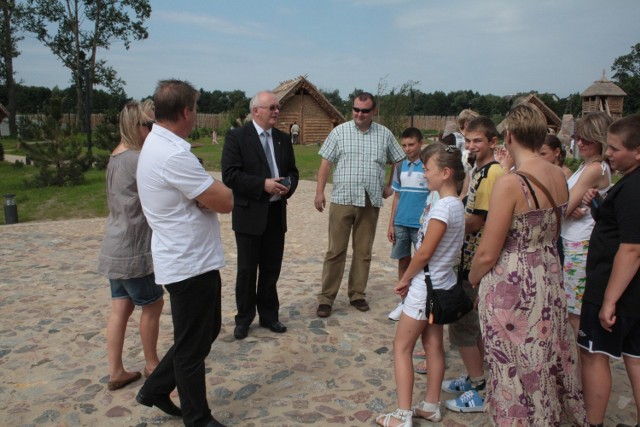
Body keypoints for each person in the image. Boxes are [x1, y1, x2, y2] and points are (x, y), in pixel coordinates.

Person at [468, 103, 587, 426]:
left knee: (511, 366)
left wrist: (474, 279)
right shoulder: (559, 175)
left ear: (508, 136)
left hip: (513, 284)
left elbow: (488, 252)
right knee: (544, 356)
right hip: (548, 274)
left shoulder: (511, 184)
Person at [136, 79, 233, 427]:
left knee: (205, 330)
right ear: (187, 111)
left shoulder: (158, 144)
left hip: (187, 257)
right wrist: (207, 195)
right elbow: (225, 201)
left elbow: (208, 197)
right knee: (192, 346)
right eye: (195, 108)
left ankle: (155, 389)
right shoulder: (174, 155)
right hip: (188, 261)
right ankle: (197, 417)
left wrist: (201, 196)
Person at [376, 144, 466, 427]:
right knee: (433, 344)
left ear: (445, 172)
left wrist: (404, 279)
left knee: (401, 346)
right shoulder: (456, 206)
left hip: (426, 286)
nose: (424, 174)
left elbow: (424, 252)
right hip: (441, 283)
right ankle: (430, 405)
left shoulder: (443, 208)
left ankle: (402, 414)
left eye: (428, 169)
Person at [314, 92, 405, 318]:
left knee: (363, 251)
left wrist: (391, 185)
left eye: (365, 110)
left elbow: (399, 159)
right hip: (343, 198)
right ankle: (326, 298)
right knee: (335, 250)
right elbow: (326, 162)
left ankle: (357, 294)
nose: (359, 114)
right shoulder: (339, 132)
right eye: (356, 109)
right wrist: (319, 192)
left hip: (370, 199)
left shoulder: (384, 134)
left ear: (373, 111)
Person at [221, 91, 299, 340]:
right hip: (249, 215)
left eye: (278, 107)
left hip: (276, 214)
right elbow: (230, 175)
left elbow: (293, 171)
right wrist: (261, 185)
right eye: (272, 107)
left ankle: (269, 315)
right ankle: (243, 318)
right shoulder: (237, 137)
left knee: (270, 270)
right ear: (256, 111)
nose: (277, 111)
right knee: (246, 270)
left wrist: (289, 185)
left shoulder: (283, 139)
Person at [578, 115, 640, 427]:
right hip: (630, 292)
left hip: (610, 286)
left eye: (615, 149)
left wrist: (609, 300)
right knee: (635, 357)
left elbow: (631, 248)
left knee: (593, 355)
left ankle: (593, 421)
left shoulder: (631, 188)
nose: (608, 154)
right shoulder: (627, 184)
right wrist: (600, 206)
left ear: (637, 151)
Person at [98, 100, 163, 391]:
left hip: (114, 244)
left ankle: (116, 370)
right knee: (152, 303)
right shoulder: (136, 159)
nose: (152, 129)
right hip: (134, 247)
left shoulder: (115, 156)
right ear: (136, 126)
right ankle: (152, 365)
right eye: (148, 124)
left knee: (120, 308)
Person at [442, 116, 504, 413]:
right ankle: (475, 375)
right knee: (472, 327)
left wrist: (445, 228)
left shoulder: (492, 174)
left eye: (477, 141)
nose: (471, 146)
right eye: (467, 140)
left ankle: (480, 388)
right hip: (468, 257)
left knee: (464, 326)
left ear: (493, 142)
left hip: (475, 259)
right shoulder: (479, 170)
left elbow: (478, 221)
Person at [561, 112, 612, 342]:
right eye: (578, 137)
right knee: (573, 315)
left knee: (577, 318)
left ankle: (584, 374)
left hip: (581, 246)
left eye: (587, 140)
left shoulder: (595, 168)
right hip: (573, 242)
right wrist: (568, 206)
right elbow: (566, 203)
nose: (580, 143)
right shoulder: (586, 165)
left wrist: (568, 207)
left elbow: (563, 205)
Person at [387, 127, 429, 322]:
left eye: (411, 144)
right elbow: (396, 196)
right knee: (403, 260)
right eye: (404, 145)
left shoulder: (428, 167)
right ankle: (403, 301)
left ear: (420, 143)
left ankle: (422, 301)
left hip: (421, 224)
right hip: (402, 222)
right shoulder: (399, 167)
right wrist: (391, 224)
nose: (407, 149)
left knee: (422, 263)